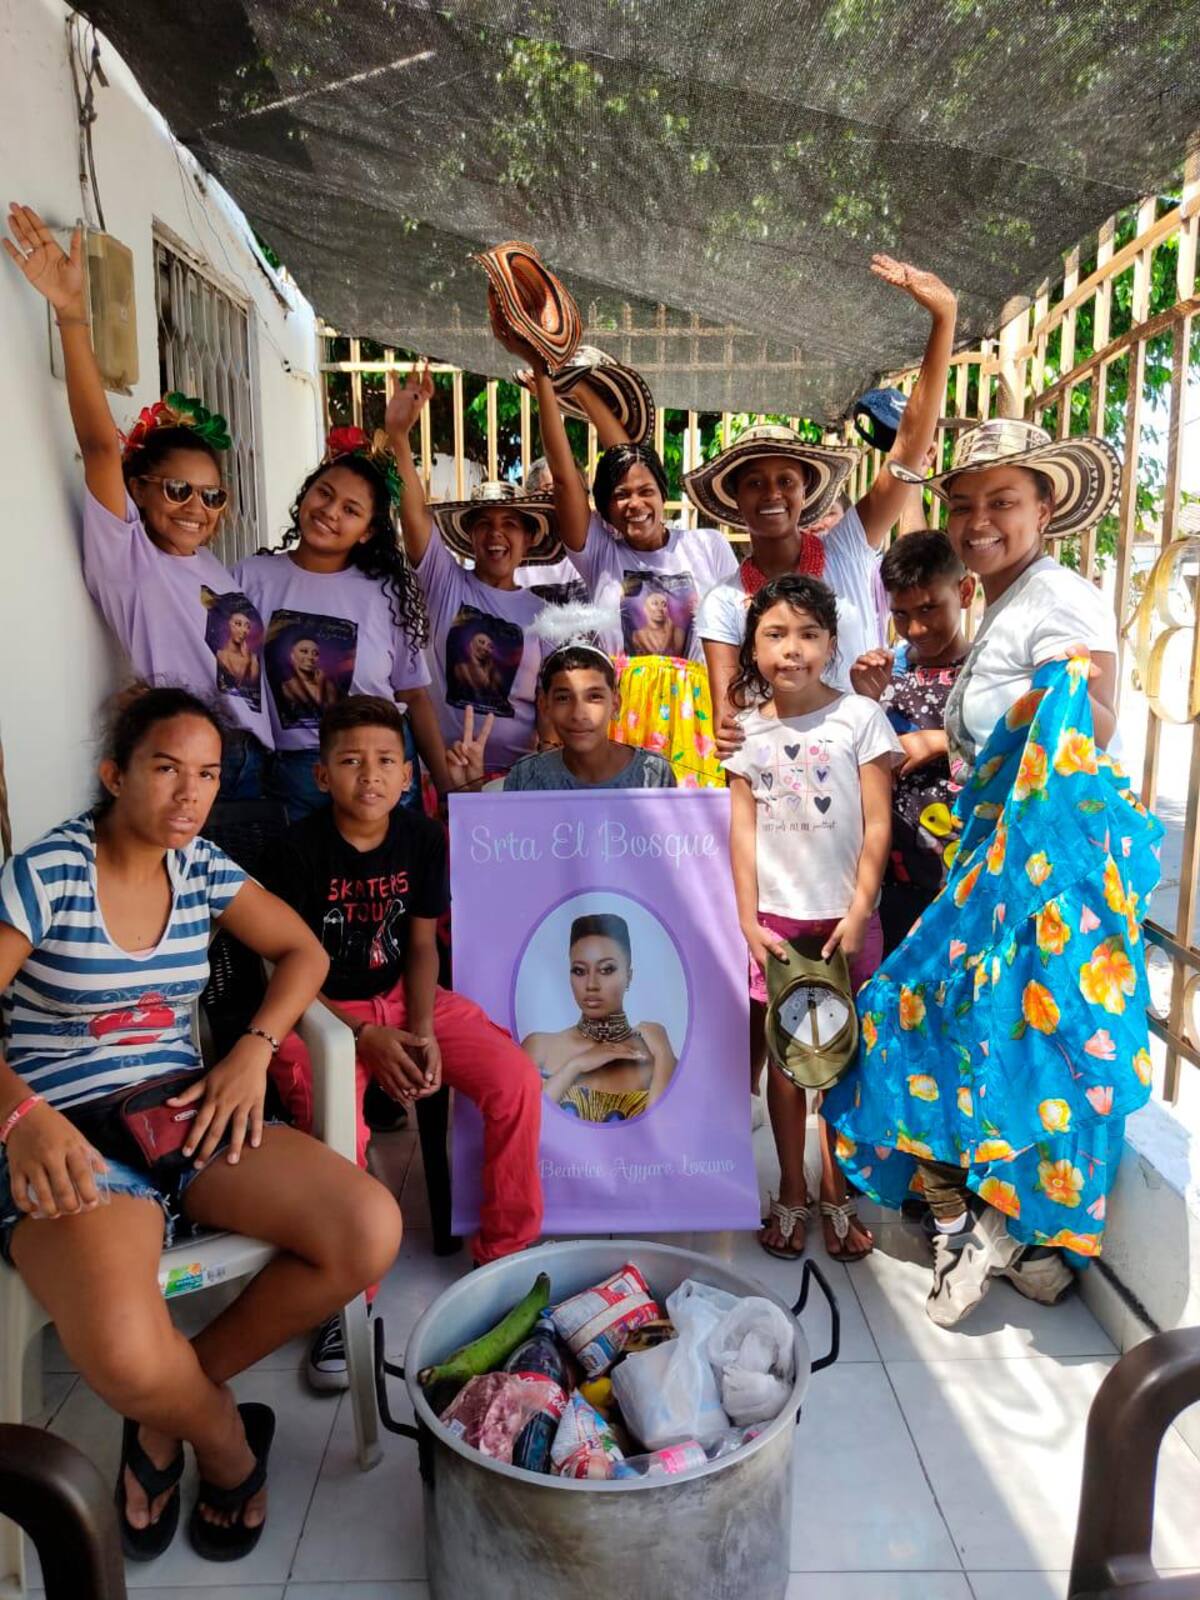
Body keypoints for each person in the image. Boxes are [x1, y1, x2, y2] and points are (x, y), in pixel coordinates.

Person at [0, 687, 400, 1562]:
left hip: (175, 1107)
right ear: (115, 775)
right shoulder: (50, 871)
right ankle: (220, 1440)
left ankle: (158, 1426)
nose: (191, 794)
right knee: (128, 1350)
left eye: (210, 774)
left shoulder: (204, 866)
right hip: (59, 1125)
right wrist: (21, 1115)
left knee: (366, 1229)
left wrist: (254, 1048)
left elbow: (305, 951)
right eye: (167, 769)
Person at [824, 417, 1161, 1328]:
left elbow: (1089, 715)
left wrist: (1058, 686)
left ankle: (1002, 1236)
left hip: (1045, 890)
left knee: (991, 1046)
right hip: (996, 878)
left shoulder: (1062, 601)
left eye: (1002, 502)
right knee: (951, 1037)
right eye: (965, 505)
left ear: (1044, 507)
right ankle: (990, 1230)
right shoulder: (1006, 601)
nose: (980, 521)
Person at [263, 696, 543, 1389]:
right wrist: (363, 1036)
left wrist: (418, 1030)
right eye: (352, 761)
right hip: (321, 1009)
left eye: (388, 760)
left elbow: (421, 944)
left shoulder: (420, 838)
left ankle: (504, 1258)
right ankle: (343, 1295)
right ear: (323, 774)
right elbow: (283, 965)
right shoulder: (294, 851)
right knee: (340, 1136)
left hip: (406, 999)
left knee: (515, 1079)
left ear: (408, 771)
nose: (371, 776)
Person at [4, 203, 273, 799]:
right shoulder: (127, 554)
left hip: (256, 762)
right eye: (178, 489)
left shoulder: (209, 568)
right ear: (139, 490)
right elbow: (101, 446)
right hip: (197, 761)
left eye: (212, 496)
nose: (195, 507)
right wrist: (72, 315)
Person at [691, 256, 958, 752]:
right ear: (734, 498)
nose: (771, 494)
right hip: (778, 789)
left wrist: (943, 320)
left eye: (785, 480)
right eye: (754, 483)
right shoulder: (724, 603)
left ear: (804, 489)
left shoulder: (848, 548)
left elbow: (907, 450)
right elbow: (728, 724)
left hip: (863, 771)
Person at [723, 575, 902, 1261]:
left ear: (830, 642)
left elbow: (878, 826)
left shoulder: (860, 718)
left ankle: (837, 1195)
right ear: (754, 645)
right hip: (777, 924)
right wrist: (746, 919)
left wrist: (859, 910)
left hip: (844, 925)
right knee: (787, 1065)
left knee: (841, 1065)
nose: (791, 650)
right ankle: (791, 1193)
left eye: (806, 634)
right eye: (774, 635)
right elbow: (741, 833)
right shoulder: (748, 730)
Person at [517, 349, 737, 788]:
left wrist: (579, 390)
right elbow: (564, 478)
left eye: (645, 491)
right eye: (620, 495)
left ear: (662, 494)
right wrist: (548, 385)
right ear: (605, 508)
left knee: (686, 842)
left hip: (697, 714)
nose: (634, 503)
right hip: (622, 715)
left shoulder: (707, 546)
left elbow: (733, 638)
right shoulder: (601, 552)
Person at [235, 430, 448, 819]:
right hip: (293, 774)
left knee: (391, 880)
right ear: (306, 494)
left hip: (380, 772)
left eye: (351, 510)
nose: (331, 512)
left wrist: (448, 787)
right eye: (325, 494)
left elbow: (415, 697)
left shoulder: (387, 593)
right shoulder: (251, 578)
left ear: (368, 530)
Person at [386, 367, 558, 775]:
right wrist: (398, 437)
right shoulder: (445, 583)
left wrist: (545, 765)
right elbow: (414, 515)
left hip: (514, 782)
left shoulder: (544, 617)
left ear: (529, 539)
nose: (496, 534)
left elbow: (549, 701)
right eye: (484, 524)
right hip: (441, 775)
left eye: (510, 524)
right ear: (470, 536)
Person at [850, 530, 975, 953]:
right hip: (895, 881)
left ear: (966, 591)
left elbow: (1020, 749)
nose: (915, 628)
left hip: (967, 879)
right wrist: (864, 702)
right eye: (901, 614)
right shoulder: (886, 670)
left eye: (929, 608)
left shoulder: (989, 672)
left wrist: (941, 740)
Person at [490, 612, 677, 792]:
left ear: (615, 703)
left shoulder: (651, 774)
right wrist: (470, 791)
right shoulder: (526, 778)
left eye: (594, 697)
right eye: (563, 698)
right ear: (544, 704)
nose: (578, 714)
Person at [520, 914, 677, 1123]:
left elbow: (667, 1136)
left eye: (606, 970)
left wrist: (665, 1057)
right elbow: (519, 1128)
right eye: (579, 971)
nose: (591, 984)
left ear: (629, 976)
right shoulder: (539, 1047)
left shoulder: (658, 1055)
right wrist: (575, 1066)